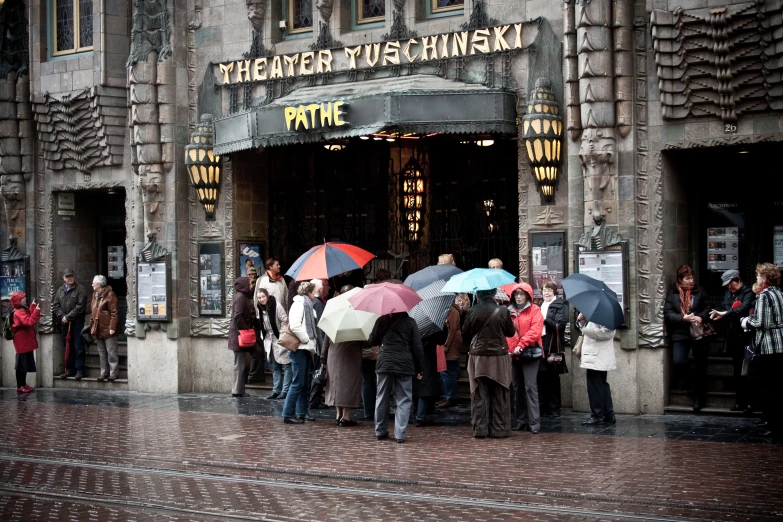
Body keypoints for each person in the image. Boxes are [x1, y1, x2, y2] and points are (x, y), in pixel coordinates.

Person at [462, 288, 515, 439]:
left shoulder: (472, 310)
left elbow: (465, 333)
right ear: (493, 294)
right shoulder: (502, 311)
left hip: (477, 356)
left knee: (479, 392)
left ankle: (480, 429)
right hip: (498, 356)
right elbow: (510, 333)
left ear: (478, 294)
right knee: (500, 391)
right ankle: (499, 429)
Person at [369, 311, 424, 443]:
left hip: (385, 361)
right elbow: (417, 346)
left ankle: (380, 430)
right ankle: (400, 434)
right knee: (404, 398)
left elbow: (372, 340)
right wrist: (420, 368)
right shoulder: (410, 322)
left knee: (381, 396)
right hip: (405, 363)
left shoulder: (381, 320)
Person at [742, 263, 783, 438]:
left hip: (768, 347)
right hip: (779, 344)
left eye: (759, 275)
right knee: (774, 385)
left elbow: (761, 322)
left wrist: (745, 321)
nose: (757, 278)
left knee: (766, 386)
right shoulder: (779, 293)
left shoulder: (765, 295)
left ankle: (774, 425)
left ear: (765, 277)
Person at [664, 264, 712, 412]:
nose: (691, 281)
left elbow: (708, 307)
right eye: (687, 278)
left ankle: (699, 398)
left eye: (692, 277)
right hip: (680, 333)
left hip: (698, 332)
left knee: (701, 364)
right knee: (678, 362)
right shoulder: (673, 294)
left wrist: (701, 316)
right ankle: (693, 384)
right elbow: (668, 313)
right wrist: (682, 318)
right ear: (680, 280)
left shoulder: (699, 291)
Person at [709, 269, 755, 412]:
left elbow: (744, 308)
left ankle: (750, 402)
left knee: (748, 370)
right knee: (736, 371)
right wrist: (726, 313)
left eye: (731, 284)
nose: (729, 287)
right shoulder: (728, 294)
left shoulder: (748, 292)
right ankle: (739, 401)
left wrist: (727, 313)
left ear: (738, 280)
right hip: (734, 336)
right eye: (727, 285)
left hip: (746, 337)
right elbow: (727, 308)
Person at [506, 283, 544, 434]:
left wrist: (520, 345)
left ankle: (534, 422)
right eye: (517, 295)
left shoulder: (535, 310)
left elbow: (535, 331)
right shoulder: (509, 311)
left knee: (530, 387)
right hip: (515, 354)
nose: (519, 297)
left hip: (529, 353)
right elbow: (507, 331)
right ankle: (521, 420)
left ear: (528, 295)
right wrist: (512, 348)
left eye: (522, 294)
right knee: (517, 388)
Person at [283, 282, 321, 424]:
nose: (314, 295)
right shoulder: (299, 305)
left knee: (304, 383)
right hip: (299, 348)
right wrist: (306, 339)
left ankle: (301, 412)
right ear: (308, 293)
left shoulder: (309, 306)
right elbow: (295, 325)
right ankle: (288, 413)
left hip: (306, 349)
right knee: (297, 382)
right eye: (313, 293)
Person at [578, 312, 617, 425]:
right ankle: (608, 414)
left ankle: (597, 414)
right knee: (600, 384)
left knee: (595, 385)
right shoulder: (594, 313)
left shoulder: (604, 313)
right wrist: (583, 322)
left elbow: (608, 333)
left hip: (598, 355)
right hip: (594, 355)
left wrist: (586, 330)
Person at [321, 333, 366, 427]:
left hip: (333, 355)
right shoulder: (355, 325)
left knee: (336, 385)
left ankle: (338, 414)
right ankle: (346, 416)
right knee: (348, 386)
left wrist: (323, 358)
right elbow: (367, 343)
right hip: (350, 356)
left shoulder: (334, 321)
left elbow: (325, 342)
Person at [538, 281, 568, 417]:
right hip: (540, 344)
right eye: (544, 290)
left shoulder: (561, 305)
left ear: (555, 292)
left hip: (552, 345)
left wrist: (545, 320)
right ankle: (543, 406)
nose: (546, 292)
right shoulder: (539, 305)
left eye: (549, 290)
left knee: (553, 376)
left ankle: (555, 407)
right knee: (541, 375)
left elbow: (560, 325)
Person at [256, 287, 291, 400]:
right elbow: (263, 324)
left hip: (280, 339)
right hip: (270, 340)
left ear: (267, 296)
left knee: (286, 365)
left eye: (263, 297)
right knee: (275, 366)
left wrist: (281, 335)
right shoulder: (260, 308)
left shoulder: (276, 305)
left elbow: (285, 320)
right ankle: (276, 390)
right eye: (259, 298)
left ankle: (285, 391)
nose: (261, 299)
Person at [53, 268, 88, 380]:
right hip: (64, 323)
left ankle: (80, 370)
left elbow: (80, 306)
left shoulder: (80, 289)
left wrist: (68, 317)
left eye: (71, 276)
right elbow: (55, 305)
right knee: (67, 346)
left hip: (77, 323)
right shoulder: (60, 290)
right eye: (67, 277)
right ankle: (69, 369)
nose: (70, 278)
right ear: (63, 278)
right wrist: (62, 316)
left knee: (78, 346)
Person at [437, 293, 468, 409]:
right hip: (452, 343)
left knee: (446, 370)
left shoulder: (451, 311)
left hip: (451, 344)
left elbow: (452, 330)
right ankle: (448, 395)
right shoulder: (450, 310)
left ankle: (450, 397)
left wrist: (446, 346)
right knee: (450, 369)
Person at [228, 277, 256, 398]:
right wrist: (245, 329)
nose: (250, 285)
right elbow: (238, 315)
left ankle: (239, 390)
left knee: (240, 363)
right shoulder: (240, 297)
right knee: (239, 364)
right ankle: (237, 391)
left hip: (237, 333)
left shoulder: (240, 296)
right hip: (239, 334)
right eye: (249, 283)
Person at [89, 275, 120, 382]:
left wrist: (112, 327)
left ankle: (113, 373)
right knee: (102, 352)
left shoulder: (110, 295)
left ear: (99, 284)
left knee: (111, 352)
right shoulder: (95, 295)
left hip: (107, 328)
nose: (92, 284)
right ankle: (104, 372)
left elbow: (114, 313)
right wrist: (91, 325)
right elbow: (93, 313)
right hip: (98, 328)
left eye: (94, 283)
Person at [414, 329, 446, 426]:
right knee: (425, 388)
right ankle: (420, 416)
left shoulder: (412, 324)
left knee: (418, 387)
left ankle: (417, 413)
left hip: (414, 358)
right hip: (428, 359)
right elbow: (441, 340)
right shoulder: (431, 328)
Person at [11, 292, 41, 393]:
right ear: (18, 301)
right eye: (23, 298)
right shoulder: (18, 312)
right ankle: (20, 385)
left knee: (24, 364)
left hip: (25, 341)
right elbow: (29, 321)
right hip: (22, 341)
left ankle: (23, 384)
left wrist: (32, 307)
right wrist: (36, 311)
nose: (25, 299)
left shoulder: (21, 310)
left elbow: (28, 315)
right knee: (21, 365)